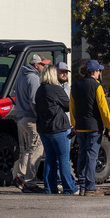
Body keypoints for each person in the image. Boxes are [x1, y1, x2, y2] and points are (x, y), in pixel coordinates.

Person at [70, 59, 110, 196]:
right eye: (99, 70)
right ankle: (90, 187)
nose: (100, 73)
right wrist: (109, 126)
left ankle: (82, 184)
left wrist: (74, 123)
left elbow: (72, 106)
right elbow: (103, 109)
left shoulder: (75, 85)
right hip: (94, 126)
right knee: (91, 156)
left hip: (80, 126)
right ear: (94, 72)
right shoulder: (97, 86)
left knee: (82, 154)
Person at [35, 64, 78, 195]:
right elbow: (67, 105)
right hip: (58, 128)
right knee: (63, 158)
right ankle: (69, 187)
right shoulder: (55, 89)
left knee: (50, 158)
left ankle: (50, 187)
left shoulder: (40, 89)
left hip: (44, 128)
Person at [13, 53, 47, 193]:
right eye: (43, 64)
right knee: (37, 149)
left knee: (30, 149)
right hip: (31, 118)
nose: (44, 67)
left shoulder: (20, 76)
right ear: (36, 65)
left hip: (21, 117)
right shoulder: (33, 77)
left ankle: (20, 175)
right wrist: (41, 116)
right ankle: (30, 182)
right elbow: (34, 101)